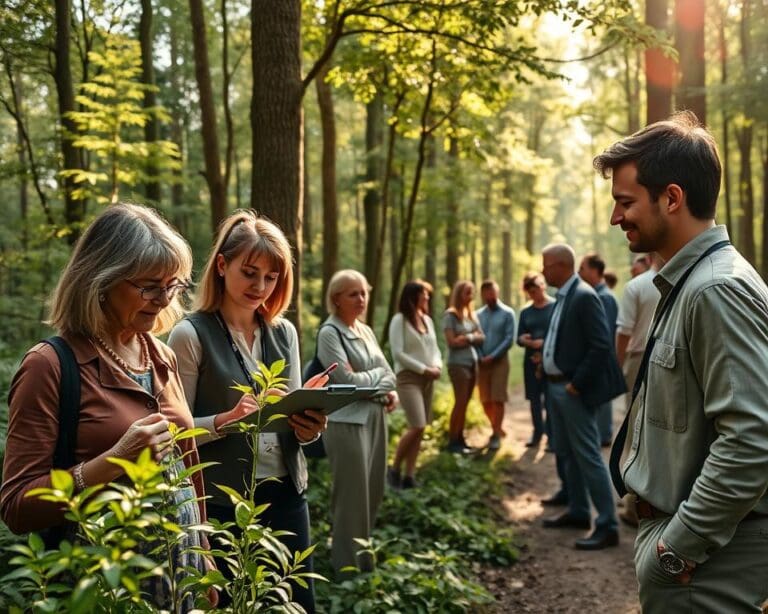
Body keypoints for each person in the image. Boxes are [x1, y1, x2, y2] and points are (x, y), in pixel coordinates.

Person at [0, 203, 214, 611]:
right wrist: (115, 460)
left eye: (172, 285)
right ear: (101, 281)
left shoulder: (162, 357)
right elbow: (16, 507)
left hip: (181, 581)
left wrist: (204, 555)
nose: (163, 299)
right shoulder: (49, 365)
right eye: (149, 287)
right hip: (105, 589)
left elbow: (188, 463)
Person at [596, 111, 768, 612]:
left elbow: (753, 439)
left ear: (671, 198)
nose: (616, 218)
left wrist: (679, 548)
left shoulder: (716, 289)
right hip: (697, 553)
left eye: (625, 202)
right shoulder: (692, 283)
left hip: (707, 562)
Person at [167, 210, 327, 612]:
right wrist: (225, 421)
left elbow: (291, 415)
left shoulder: (284, 332)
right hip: (222, 502)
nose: (260, 287)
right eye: (250, 273)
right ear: (222, 266)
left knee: (296, 604)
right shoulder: (189, 334)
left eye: (271, 277)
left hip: (287, 494)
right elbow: (175, 435)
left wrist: (308, 427)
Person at [539, 243, 624, 550]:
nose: (542, 271)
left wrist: (577, 383)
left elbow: (601, 345)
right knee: (566, 452)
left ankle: (608, 525)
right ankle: (578, 511)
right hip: (555, 387)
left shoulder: (584, 296)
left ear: (561, 266)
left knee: (587, 455)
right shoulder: (564, 296)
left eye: (546, 265)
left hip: (572, 390)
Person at [317, 270, 397, 575]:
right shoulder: (329, 333)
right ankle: (347, 569)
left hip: (376, 417)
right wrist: (376, 380)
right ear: (336, 298)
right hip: (347, 424)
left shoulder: (365, 331)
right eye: (353, 294)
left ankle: (364, 561)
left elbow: (390, 375)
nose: (361, 299)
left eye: (364, 292)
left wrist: (370, 381)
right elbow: (346, 382)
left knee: (373, 491)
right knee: (352, 498)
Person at [614, 252, 660, 527]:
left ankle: (633, 505)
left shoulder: (637, 286)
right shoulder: (685, 280)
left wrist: (617, 368)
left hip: (638, 360)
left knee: (635, 431)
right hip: (669, 359)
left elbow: (624, 332)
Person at [387, 280, 442, 489]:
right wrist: (423, 369)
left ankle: (409, 476)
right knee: (417, 424)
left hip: (429, 379)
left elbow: (435, 349)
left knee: (421, 428)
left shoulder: (427, 320)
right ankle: (394, 469)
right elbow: (398, 353)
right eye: (424, 294)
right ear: (413, 296)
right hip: (408, 378)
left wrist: (437, 366)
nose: (427, 297)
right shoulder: (399, 321)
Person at [578, 253, 620, 446]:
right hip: (597, 358)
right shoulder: (597, 295)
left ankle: (603, 437)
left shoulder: (604, 298)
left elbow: (606, 334)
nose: (579, 272)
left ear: (595, 271)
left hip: (602, 359)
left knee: (602, 401)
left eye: (582, 268)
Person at [442, 280, 485, 454]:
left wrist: (467, 338)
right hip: (457, 364)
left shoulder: (471, 315)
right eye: (467, 292)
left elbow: (481, 337)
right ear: (459, 294)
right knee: (460, 402)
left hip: (472, 363)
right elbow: (452, 342)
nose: (471, 296)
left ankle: (461, 439)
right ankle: (453, 441)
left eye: (472, 292)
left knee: (466, 402)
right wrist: (471, 337)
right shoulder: (450, 315)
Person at [517, 272, 555, 449]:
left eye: (535, 291)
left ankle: (551, 435)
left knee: (550, 398)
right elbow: (519, 338)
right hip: (531, 360)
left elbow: (561, 333)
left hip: (550, 359)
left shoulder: (555, 306)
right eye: (530, 292)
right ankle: (537, 432)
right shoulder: (526, 312)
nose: (533, 295)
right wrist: (525, 341)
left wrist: (544, 342)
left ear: (542, 287)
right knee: (534, 398)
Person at [476, 280, 516, 450]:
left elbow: (509, 339)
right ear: (482, 295)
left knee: (498, 398)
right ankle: (497, 426)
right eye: (486, 295)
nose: (490, 297)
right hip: (482, 363)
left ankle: (495, 435)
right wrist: (481, 356)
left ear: (497, 292)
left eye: (492, 294)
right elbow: (475, 337)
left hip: (500, 362)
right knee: (485, 400)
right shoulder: (477, 315)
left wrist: (493, 356)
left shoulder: (508, 313)